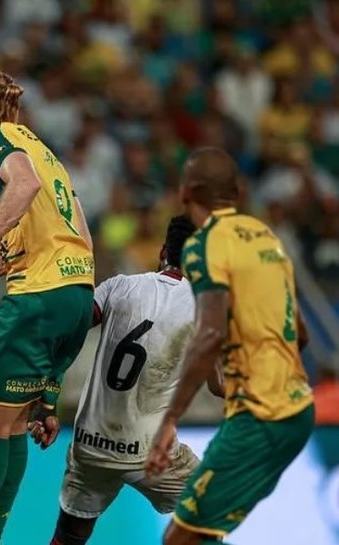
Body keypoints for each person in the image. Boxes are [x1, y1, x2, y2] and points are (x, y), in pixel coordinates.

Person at [0, 70, 95, 545]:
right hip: (77, 293)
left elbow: (22, 186)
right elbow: (77, 233)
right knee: (12, 422)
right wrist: (8, 257)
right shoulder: (44, 149)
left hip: (39, 296)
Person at [146, 147, 314, 545]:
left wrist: (170, 418)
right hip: (298, 412)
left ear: (187, 193)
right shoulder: (266, 239)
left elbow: (209, 335)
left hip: (258, 417)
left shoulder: (203, 246)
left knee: (180, 539)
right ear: (236, 194)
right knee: (206, 531)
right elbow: (300, 334)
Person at [48, 215, 224, 545]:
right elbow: (219, 386)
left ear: (162, 252)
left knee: (70, 534)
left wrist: (45, 399)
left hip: (92, 443)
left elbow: (69, 330)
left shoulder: (119, 286)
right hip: (150, 453)